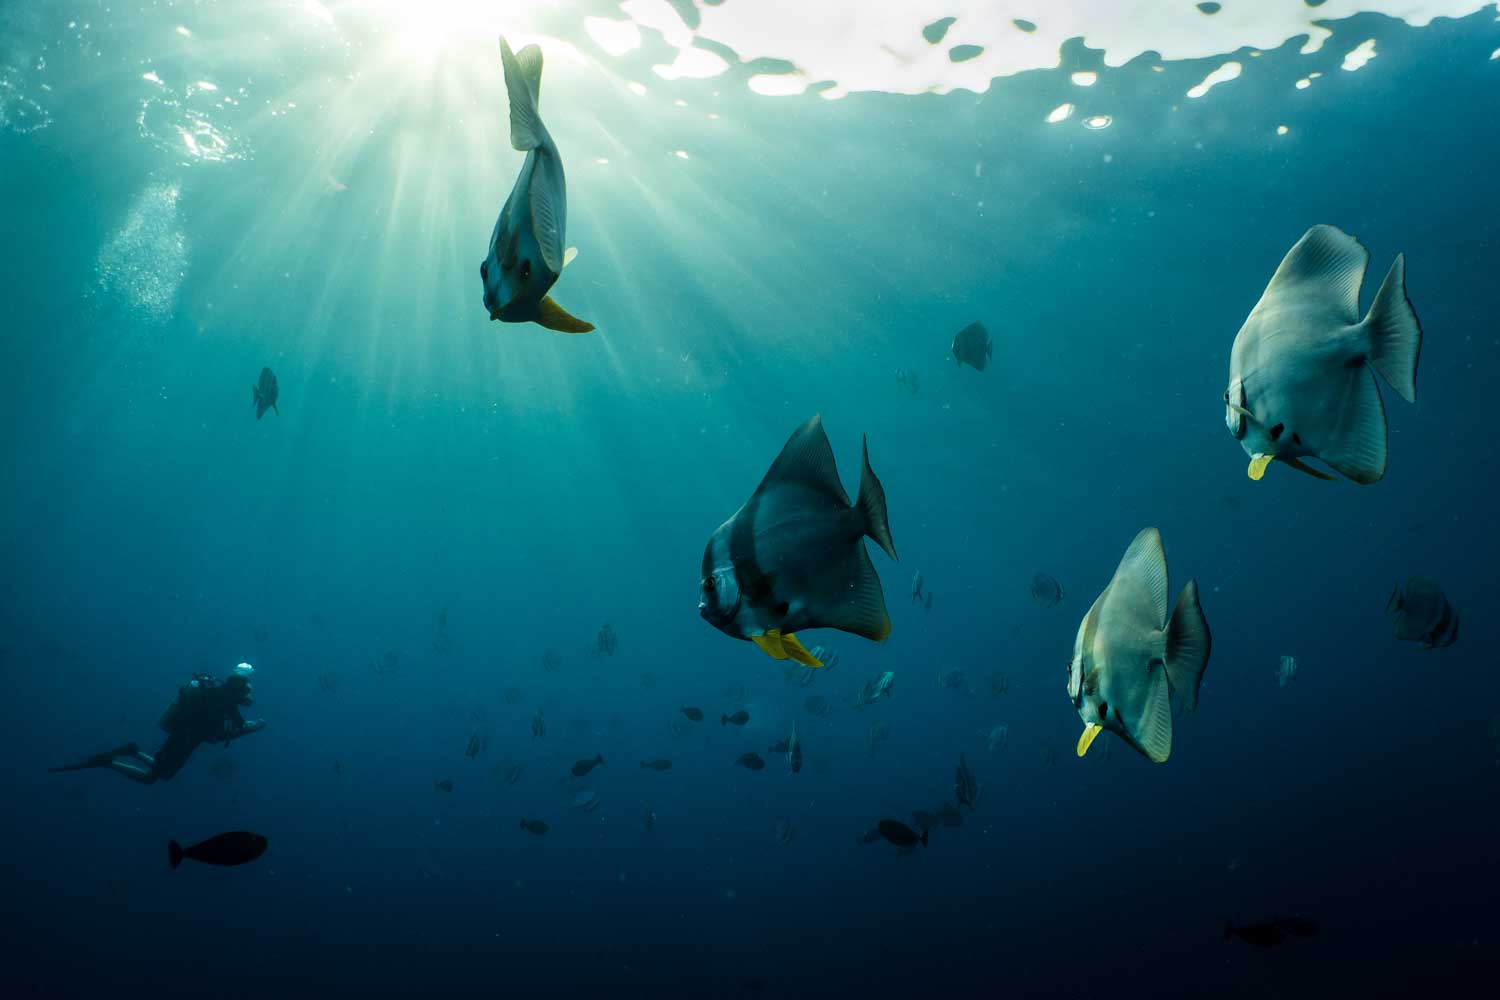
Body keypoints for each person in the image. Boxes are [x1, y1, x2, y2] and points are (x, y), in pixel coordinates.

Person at [50, 663, 266, 784]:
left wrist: (249, 725)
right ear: (236, 689)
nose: (248, 696)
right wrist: (255, 727)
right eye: (246, 691)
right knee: (152, 777)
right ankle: (109, 762)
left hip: (183, 737)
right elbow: (223, 734)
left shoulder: (219, 696)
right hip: (185, 740)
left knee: (160, 768)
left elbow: (230, 727)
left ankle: (133, 751)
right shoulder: (224, 703)